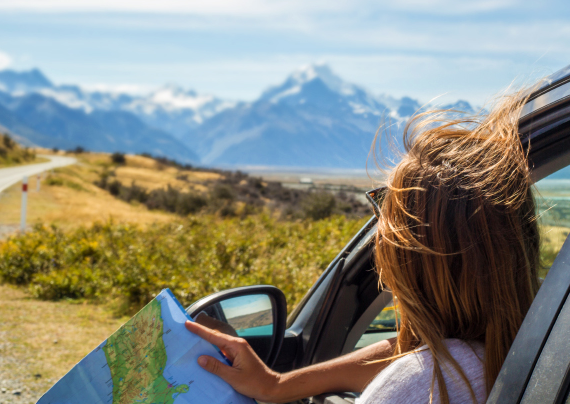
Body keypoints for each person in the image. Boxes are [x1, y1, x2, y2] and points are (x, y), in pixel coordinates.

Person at [186, 88, 542, 404]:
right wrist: (276, 385)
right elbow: (409, 355)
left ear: (411, 257)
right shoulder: (535, 345)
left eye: (385, 215)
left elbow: (415, 371)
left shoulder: (422, 385)